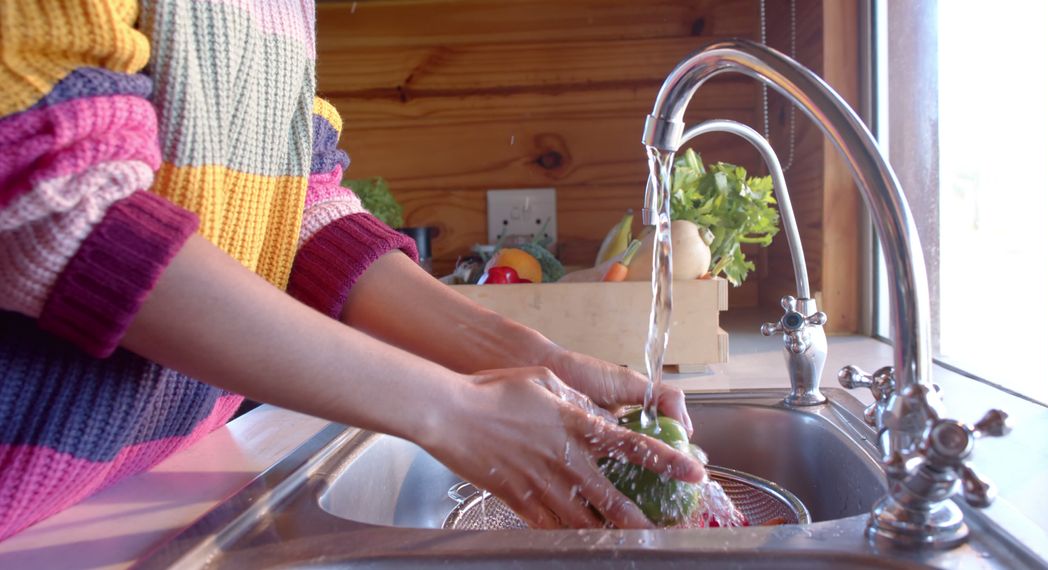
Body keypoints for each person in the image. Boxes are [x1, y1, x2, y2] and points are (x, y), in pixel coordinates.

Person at [0, 0, 704, 541]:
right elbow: (52, 202)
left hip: (168, 487)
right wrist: (453, 409)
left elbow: (294, 205)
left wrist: (526, 355)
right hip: (27, 514)